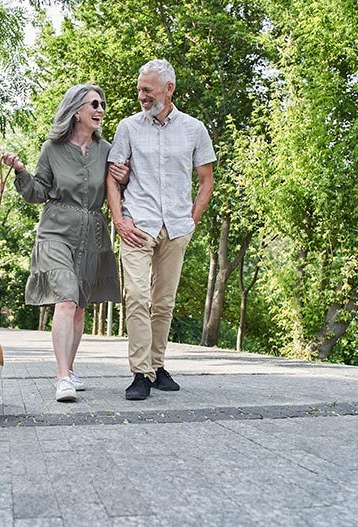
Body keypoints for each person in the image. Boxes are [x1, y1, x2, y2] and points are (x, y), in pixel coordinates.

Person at [1, 84, 122, 402]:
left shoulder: (107, 150)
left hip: (92, 234)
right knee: (66, 298)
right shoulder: (52, 149)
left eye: (103, 105)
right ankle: (62, 377)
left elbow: (116, 187)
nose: (100, 109)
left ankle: (69, 367)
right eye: (94, 103)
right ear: (76, 110)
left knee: (80, 306)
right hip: (55, 232)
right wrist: (21, 171)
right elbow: (37, 193)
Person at [107, 59, 216, 401]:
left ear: (168, 89)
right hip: (137, 224)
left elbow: (206, 180)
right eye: (139, 89)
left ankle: (157, 365)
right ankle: (141, 372)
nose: (141, 95)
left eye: (147, 90)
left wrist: (191, 223)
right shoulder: (127, 127)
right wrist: (119, 220)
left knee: (164, 302)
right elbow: (113, 176)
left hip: (177, 227)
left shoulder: (194, 129)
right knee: (136, 296)